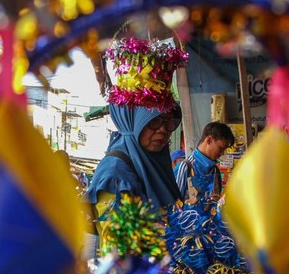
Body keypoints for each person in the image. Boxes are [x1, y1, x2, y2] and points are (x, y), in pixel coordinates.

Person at [86, 36, 188, 241]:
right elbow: (120, 251)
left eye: (168, 122)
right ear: (131, 121)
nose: (163, 131)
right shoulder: (115, 176)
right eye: (152, 121)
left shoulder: (157, 162)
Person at [174, 121, 235, 201]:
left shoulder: (215, 171)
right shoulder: (185, 167)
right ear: (209, 140)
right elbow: (175, 206)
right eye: (221, 148)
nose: (222, 153)